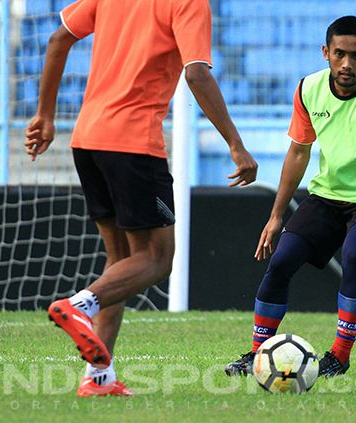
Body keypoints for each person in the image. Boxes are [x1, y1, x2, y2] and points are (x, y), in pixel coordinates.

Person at [24, 0, 257, 397]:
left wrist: (45, 114)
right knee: (157, 258)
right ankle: (78, 306)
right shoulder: (188, 3)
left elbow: (57, 38)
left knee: (121, 264)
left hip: (88, 140)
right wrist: (236, 144)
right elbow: (197, 73)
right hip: (133, 145)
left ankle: (99, 378)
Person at [225, 16, 356, 378]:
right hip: (326, 197)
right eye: (340, 54)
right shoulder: (308, 89)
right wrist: (276, 215)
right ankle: (256, 354)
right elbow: (298, 153)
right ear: (325, 52)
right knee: (281, 261)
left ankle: (340, 357)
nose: (347, 64)